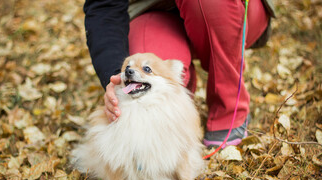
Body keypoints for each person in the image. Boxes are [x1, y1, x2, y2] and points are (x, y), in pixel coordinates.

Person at [83, 0, 275, 147]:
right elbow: (104, 7)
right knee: (149, 80)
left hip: (224, 9)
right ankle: (182, 106)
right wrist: (115, 75)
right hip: (154, 10)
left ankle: (229, 107)